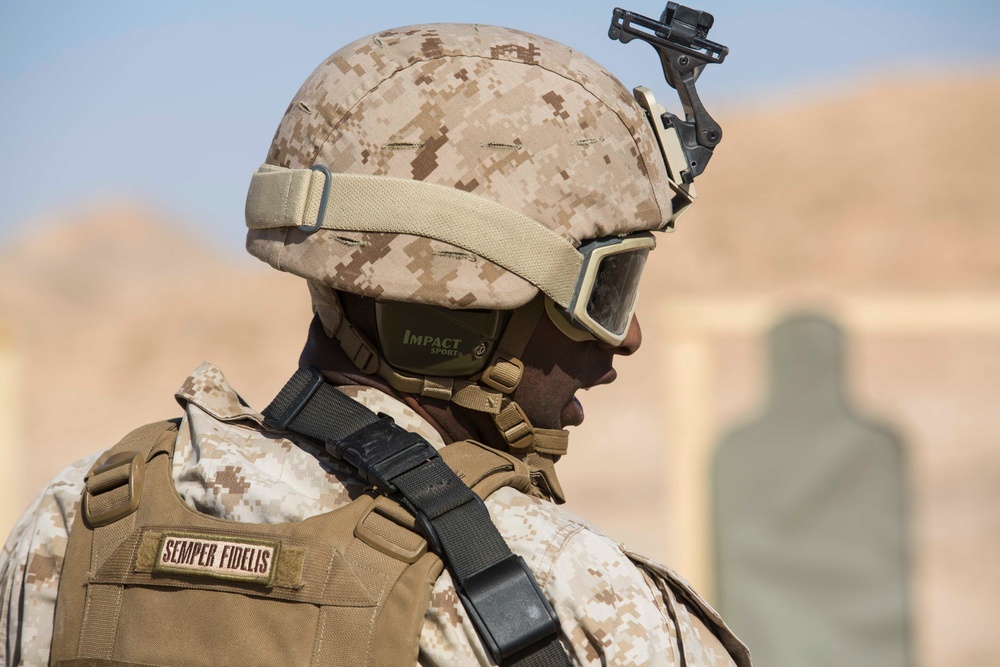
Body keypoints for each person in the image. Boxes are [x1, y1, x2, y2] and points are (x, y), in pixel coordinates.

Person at [1, 19, 750, 667]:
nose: (625, 342)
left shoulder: (77, 525)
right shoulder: (590, 601)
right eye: (608, 289)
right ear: (466, 305)